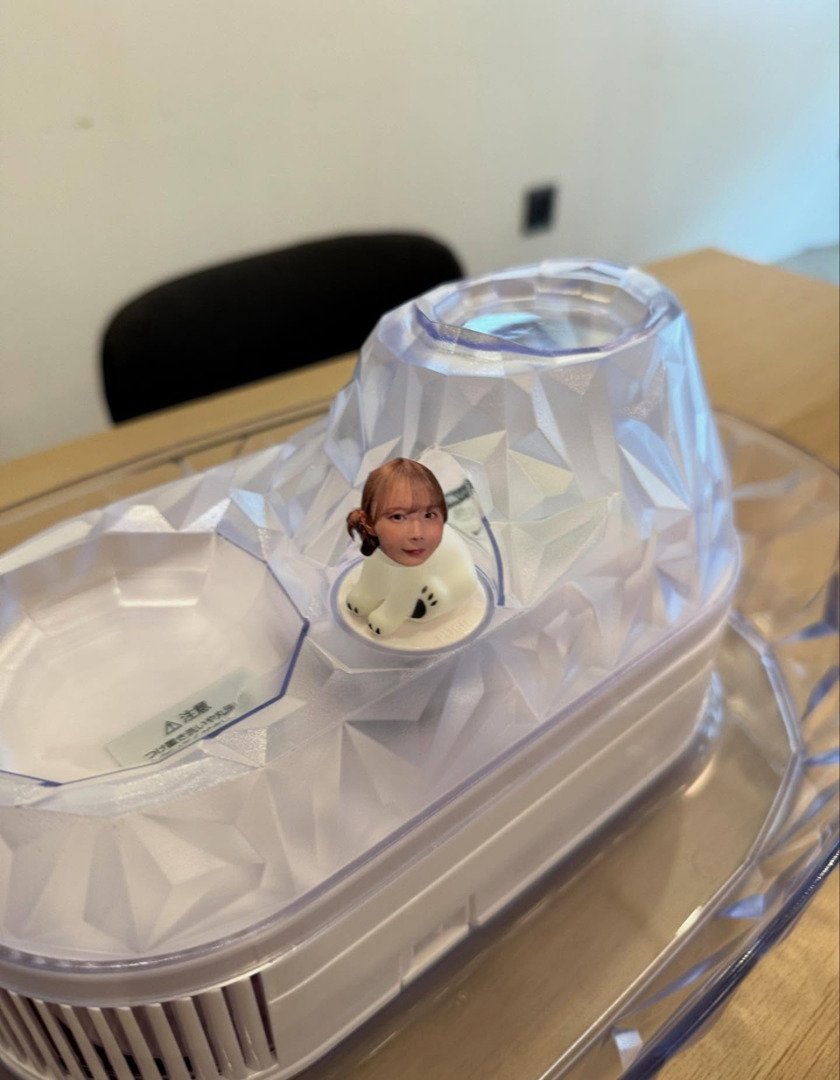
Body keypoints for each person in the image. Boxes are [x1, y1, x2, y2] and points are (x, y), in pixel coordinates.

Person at [345, 459, 478, 637]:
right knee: (380, 564)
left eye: (428, 515)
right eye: (398, 517)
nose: (417, 532)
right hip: (403, 567)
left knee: (412, 578)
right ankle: (370, 594)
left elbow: (410, 581)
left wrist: (390, 614)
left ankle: (403, 609)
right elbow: (375, 566)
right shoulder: (378, 542)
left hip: (453, 580)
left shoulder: (418, 548)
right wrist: (367, 593)